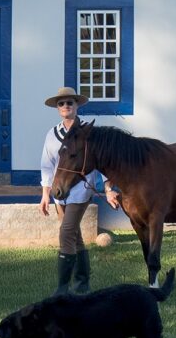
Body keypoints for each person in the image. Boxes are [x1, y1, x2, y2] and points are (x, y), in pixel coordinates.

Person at [38, 86, 121, 294]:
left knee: (66, 232)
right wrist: (45, 194)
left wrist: (108, 188)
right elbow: (47, 165)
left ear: (76, 106)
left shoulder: (88, 132)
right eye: (61, 103)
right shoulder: (52, 134)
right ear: (57, 108)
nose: (66, 106)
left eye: (70, 102)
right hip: (59, 192)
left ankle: (62, 289)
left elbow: (102, 161)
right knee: (75, 235)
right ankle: (82, 281)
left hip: (81, 190)